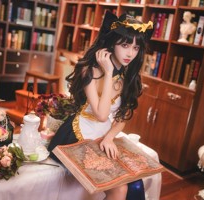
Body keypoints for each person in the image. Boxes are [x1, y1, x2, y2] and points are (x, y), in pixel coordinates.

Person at [48, 11, 153, 200]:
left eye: (136, 48)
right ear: (113, 43)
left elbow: (122, 118)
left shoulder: (129, 77)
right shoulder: (90, 70)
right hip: (77, 135)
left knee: (132, 185)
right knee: (120, 190)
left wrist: (110, 138)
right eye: (125, 45)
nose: (130, 53)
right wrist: (109, 70)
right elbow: (102, 114)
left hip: (102, 136)